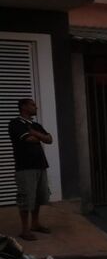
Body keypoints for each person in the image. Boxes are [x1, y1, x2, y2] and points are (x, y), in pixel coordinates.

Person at [7, 99, 53, 241]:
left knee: (39, 197)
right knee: (26, 198)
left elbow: (49, 139)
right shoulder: (15, 123)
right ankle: (25, 230)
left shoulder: (35, 125)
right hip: (25, 167)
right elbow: (29, 139)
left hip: (40, 165)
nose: (36, 107)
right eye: (33, 105)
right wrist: (40, 136)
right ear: (24, 107)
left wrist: (35, 133)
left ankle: (35, 224)